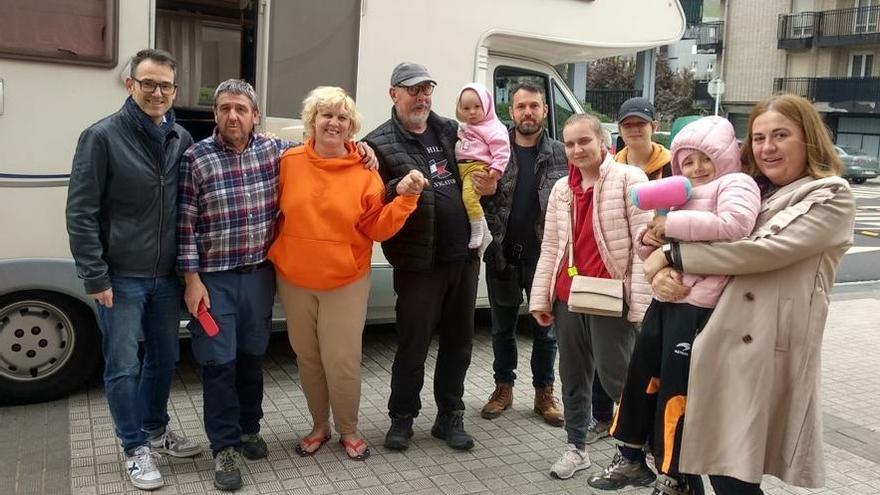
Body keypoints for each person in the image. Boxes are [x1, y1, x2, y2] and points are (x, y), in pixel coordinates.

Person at [640, 93, 855, 494]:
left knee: (733, 475)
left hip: (761, 354)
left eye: (780, 135)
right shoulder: (751, 189)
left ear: (808, 138)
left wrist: (671, 254)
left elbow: (757, 251)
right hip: (712, 340)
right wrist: (658, 271)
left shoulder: (830, 195)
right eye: (758, 138)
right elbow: (685, 233)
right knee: (692, 461)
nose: (767, 147)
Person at [588, 116, 761, 494]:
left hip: (698, 309)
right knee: (640, 377)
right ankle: (631, 454)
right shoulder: (678, 191)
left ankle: (673, 472)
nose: (696, 168)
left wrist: (671, 227)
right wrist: (650, 235)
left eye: (705, 159)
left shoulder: (736, 183)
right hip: (665, 303)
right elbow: (655, 236)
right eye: (688, 161)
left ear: (726, 157)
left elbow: (736, 224)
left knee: (675, 391)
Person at [66, 48, 202, 491]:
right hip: (119, 277)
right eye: (148, 83)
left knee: (164, 358)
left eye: (165, 85)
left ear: (174, 89)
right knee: (123, 364)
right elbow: (81, 211)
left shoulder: (180, 138)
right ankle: (134, 447)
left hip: (165, 276)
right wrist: (95, 275)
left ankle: (157, 430)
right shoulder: (101, 137)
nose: (157, 92)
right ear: (131, 85)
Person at [268, 86, 425, 462]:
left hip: (346, 281)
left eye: (342, 117)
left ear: (351, 127)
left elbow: (377, 228)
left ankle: (349, 430)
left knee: (342, 360)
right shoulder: (287, 163)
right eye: (326, 115)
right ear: (312, 122)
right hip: (294, 279)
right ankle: (319, 425)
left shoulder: (364, 173)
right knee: (306, 357)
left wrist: (405, 199)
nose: (333, 123)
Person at [364, 62, 497, 452]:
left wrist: (490, 181)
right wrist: (395, 185)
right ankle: (402, 418)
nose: (421, 97)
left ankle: (449, 417)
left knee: (459, 342)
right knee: (413, 343)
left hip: (464, 258)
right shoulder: (378, 143)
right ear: (394, 94)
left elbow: (482, 162)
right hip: (418, 262)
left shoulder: (450, 129)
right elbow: (374, 198)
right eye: (412, 90)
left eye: (426, 89)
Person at [177, 79, 293, 491]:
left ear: (255, 115)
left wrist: (362, 150)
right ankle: (224, 447)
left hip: (259, 276)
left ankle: (249, 429)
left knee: (251, 358)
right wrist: (191, 280)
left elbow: (322, 151)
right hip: (215, 282)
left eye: (241, 109)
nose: (232, 116)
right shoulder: (196, 158)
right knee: (218, 364)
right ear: (215, 114)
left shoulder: (275, 151)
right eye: (225, 108)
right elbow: (185, 225)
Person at [529, 113, 652, 480]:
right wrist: (541, 298)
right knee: (572, 376)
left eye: (584, 141)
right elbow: (551, 246)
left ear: (603, 143)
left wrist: (641, 306)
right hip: (569, 298)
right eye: (570, 143)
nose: (577, 149)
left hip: (611, 299)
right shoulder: (561, 190)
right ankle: (577, 448)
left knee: (620, 380)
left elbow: (643, 249)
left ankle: (640, 454)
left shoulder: (631, 180)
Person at [586, 96, 674, 444]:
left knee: (647, 349)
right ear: (619, 130)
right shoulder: (609, 168)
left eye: (641, 123)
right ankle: (603, 417)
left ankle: (648, 422)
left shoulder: (672, 167)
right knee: (603, 347)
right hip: (615, 273)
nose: (634, 129)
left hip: (661, 269)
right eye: (627, 124)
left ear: (654, 125)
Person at [479, 82, 567, 426]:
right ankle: (503, 388)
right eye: (520, 107)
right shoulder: (495, 152)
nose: (527, 112)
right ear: (510, 112)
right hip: (502, 254)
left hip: (545, 257)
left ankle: (544, 392)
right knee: (502, 328)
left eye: (534, 106)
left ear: (545, 110)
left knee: (546, 331)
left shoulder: (562, 153)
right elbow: (477, 196)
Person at [454, 82, 510, 250]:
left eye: (477, 107)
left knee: (469, 199)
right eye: (466, 108)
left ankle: (478, 231)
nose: (472, 112)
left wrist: (496, 169)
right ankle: (484, 232)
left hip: (477, 168)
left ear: (486, 106)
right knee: (466, 199)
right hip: (464, 169)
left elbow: (502, 150)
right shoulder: (465, 127)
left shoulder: (493, 128)